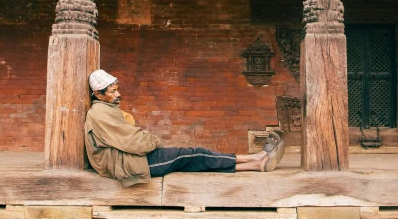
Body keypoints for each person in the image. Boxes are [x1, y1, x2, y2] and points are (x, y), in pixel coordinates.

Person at [84, 69, 285, 187]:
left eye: (117, 90)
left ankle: (255, 164)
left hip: (129, 160)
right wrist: (155, 141)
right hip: (130, 164)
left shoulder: (106, 109)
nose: (118, 95)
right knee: (192, 155)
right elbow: (136, 142)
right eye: (112, 92)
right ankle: (254, 158)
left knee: (193, 161)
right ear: (98, 94)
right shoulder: (100, 113)